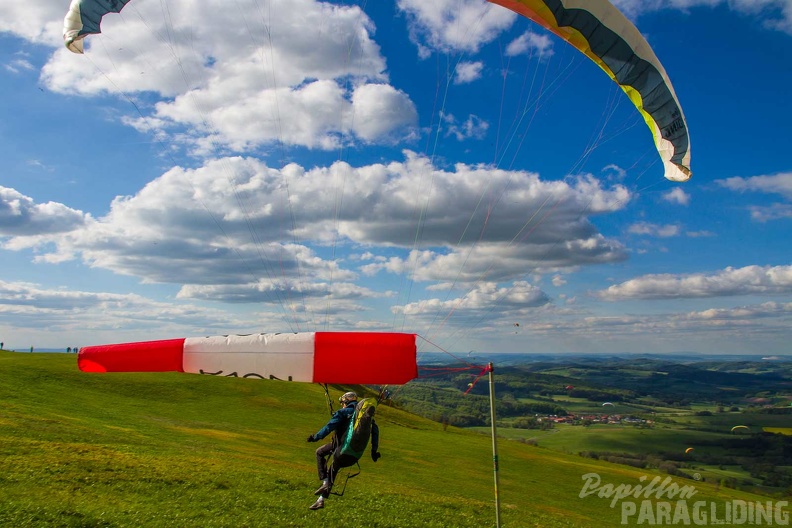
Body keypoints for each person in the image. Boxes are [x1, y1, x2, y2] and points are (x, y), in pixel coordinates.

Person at [306, 391, 380, 510]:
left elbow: (329, 427)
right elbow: (375, 432)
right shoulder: (364, 416)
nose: (342, 405)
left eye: (342, 403)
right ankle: (320, 500)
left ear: (346, 401)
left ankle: (325, 483)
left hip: (342, 450)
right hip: (354, 455)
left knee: (319, 452)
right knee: (333, 469)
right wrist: (374, 451)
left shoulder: (343, 412)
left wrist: (316, 437)